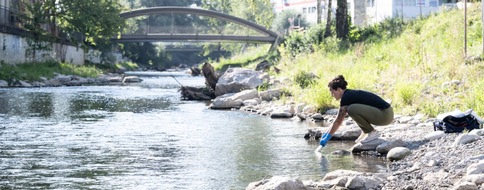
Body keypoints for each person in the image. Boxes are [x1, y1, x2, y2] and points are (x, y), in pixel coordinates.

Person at [319, 75, 394, 147]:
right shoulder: (349, 94)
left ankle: (372, 132)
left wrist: (328, 137)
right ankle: (366, 132)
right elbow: (337, 120)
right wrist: (326, 133)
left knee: (352, 109)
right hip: (387, 113)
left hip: (385, 115)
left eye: (332, 92)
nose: (332, 95)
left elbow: (338, 120)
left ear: (338, 89)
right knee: (353, 109)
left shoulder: (346, 97)